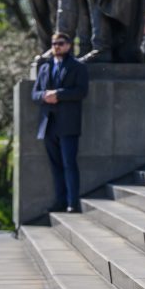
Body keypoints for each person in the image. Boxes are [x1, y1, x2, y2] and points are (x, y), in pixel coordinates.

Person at [32, 32, 90, 212]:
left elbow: (81, 91)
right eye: (54, 43)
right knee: (55, 166)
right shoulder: (45, 67)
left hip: (68, 124)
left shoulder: (78, 67)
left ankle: (72, 202)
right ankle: (60, 201)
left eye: (61, 43)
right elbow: (35, 94)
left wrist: (59, 94)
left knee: (69, 164)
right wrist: (44, 95)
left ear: (69, 45)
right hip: (48, 124)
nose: (56, 46)